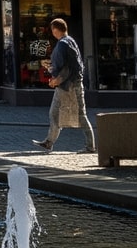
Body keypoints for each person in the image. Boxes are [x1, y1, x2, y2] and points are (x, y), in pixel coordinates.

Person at [33, 18, 96, 154]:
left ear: (55, 29)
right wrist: (51, 68)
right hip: (69, 85)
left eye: (52, 30)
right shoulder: (70, 41)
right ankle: (49, 142)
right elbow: (71, 65)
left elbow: (67, 68)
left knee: (79, 115)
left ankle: (90, 146)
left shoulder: (62, 44)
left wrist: (56, 80)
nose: (52, 33)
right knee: (58, 113)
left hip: (68, 86)